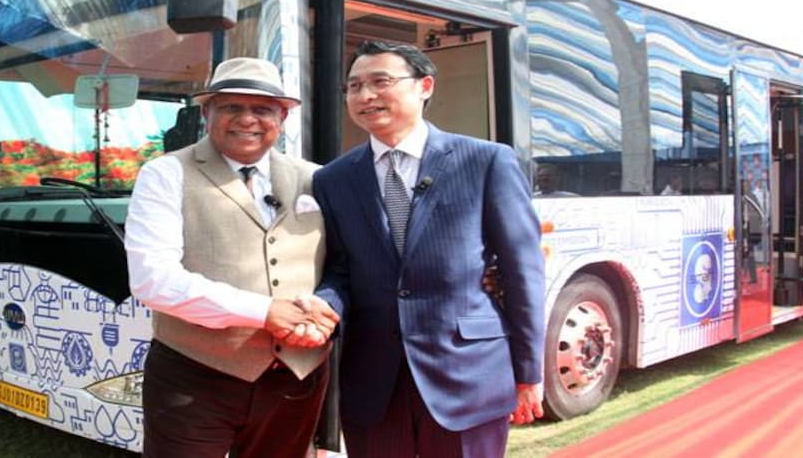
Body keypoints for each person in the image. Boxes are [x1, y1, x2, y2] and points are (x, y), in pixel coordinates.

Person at [308, 41, 546, 457]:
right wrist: (322, 307)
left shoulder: (486, 161)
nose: (365, 96)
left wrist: (529, 373)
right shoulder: (334, 178)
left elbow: (522, 271)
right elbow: (341, 269)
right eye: (354, 86)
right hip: (374, 382)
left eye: (381, 81)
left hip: (468, 374)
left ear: (425, 86)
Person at [124, 57, 339, 458]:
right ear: (206, 112)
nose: (247, 119)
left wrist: (323, 307)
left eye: (262, 109)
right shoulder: (165, 174)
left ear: (283, 116)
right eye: (231, 107)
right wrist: (265, 311)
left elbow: (345, 264)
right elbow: (152, 278)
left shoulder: (316, 177)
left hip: (297, 376)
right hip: (196, 376)